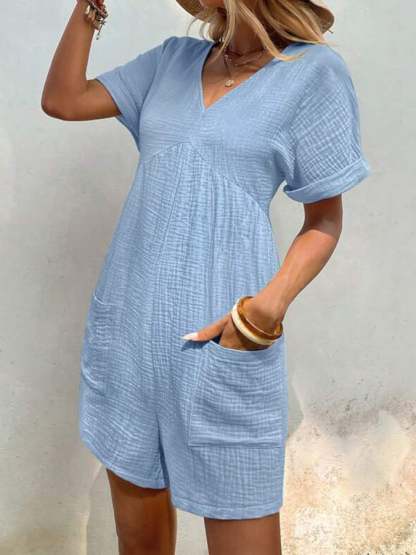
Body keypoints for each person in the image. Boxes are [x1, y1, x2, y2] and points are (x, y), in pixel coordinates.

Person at [41, 0, 371, 553]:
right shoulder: (172, 61)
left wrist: (264, 311)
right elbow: (63, 99)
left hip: (226, 338)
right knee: (139, 544)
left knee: (243, 525)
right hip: (133, 333)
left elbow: (324, 220)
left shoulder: (312, 72)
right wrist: (88, 7)